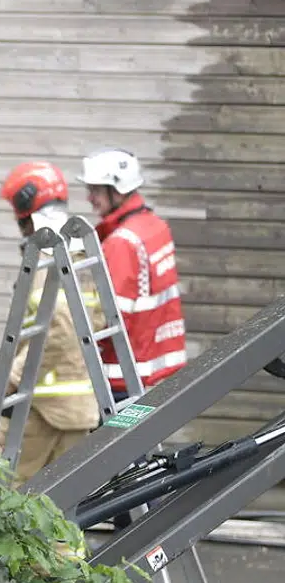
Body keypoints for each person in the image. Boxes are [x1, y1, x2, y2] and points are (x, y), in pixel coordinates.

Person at [0, 161, 104, 481]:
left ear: (27, 205)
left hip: (41, 406)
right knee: (61, 505)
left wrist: (11, 377)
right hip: (78, 405)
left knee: (2, 488)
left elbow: (60, 327)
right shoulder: (83, 249)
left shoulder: (48, 254)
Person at [79, 149, 187, 398]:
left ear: (117, 190)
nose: (90, 198)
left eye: (95, 190)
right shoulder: (155, 227)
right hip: (156, 369)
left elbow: (110, 317)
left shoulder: (121, 243)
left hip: (122, 378)